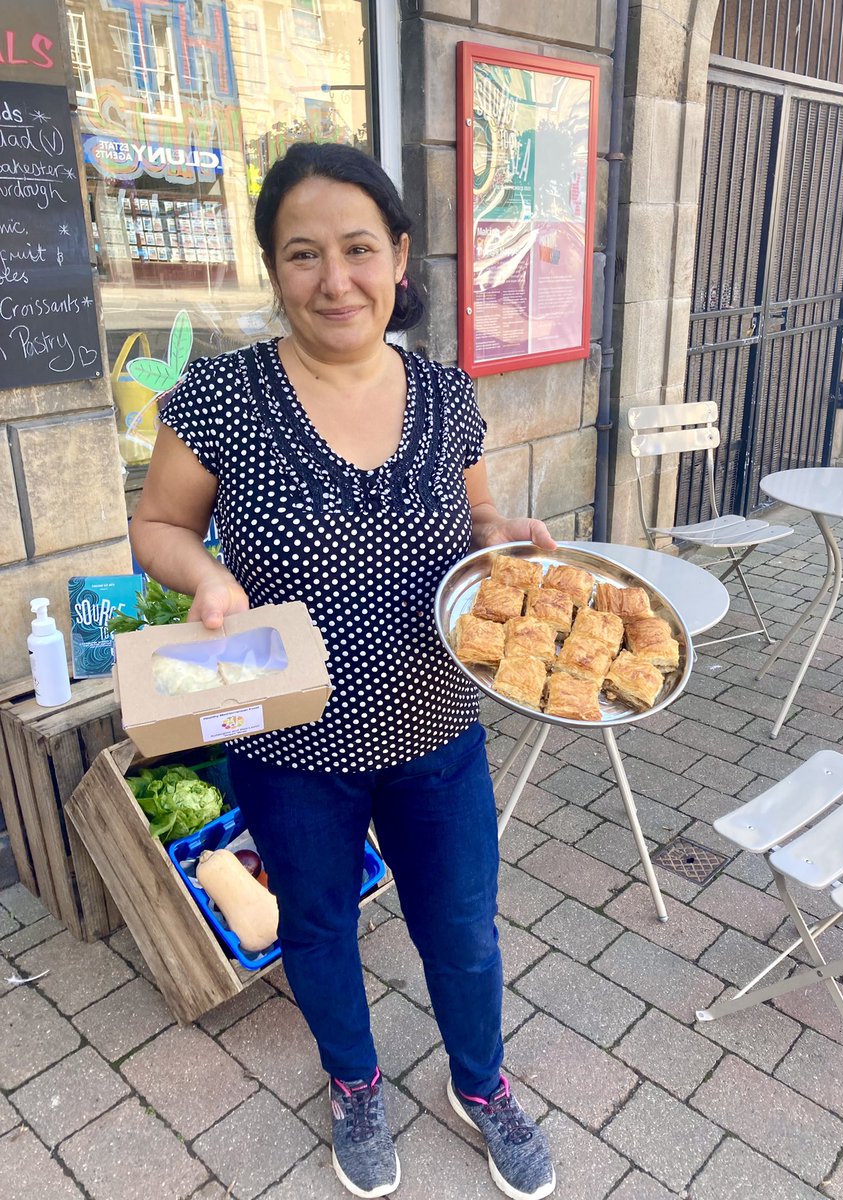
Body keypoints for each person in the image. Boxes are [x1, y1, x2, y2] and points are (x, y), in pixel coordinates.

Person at [130, 141, 557, 1200]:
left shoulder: (448, 394)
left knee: (460, 926)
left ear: (400, 258)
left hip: (437, 724)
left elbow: (479, 514)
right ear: (274, 269)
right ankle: (353, 1081)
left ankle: (481, 1081)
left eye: (360, 249)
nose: (336, 280)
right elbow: (157, 525)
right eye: (304, 254)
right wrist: (204, 579)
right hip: (289, 741)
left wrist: (508, 540)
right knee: (316, 925)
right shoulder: (220, 397)